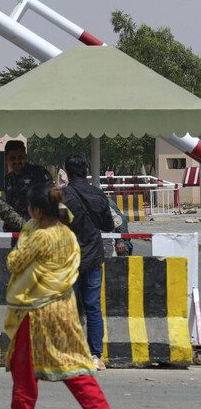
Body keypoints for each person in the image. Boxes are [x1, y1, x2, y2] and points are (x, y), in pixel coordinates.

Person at [0, 184, 122, 409]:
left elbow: (14, 262)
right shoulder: (67, 233)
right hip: (63, 307)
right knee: (70, 360)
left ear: (37, 210)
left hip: (37, 309)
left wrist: (26, 237)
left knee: (23, 367)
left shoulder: (40, 236)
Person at [61, 154, 114, 370]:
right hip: (93, 258)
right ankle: (95, 356)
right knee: (93, 307)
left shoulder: (61, 195)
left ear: (67, 172)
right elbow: (109, 226)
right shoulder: (98, 194)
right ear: (86, 171)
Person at [3, 140, 53, 231]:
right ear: (6, 159)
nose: (17, 161)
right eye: (12, 158)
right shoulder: (8, 179)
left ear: (25, 157)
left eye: (20, 157)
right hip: (17, 233)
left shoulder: (39, 173)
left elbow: (51, 199)